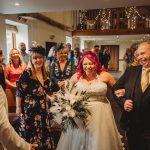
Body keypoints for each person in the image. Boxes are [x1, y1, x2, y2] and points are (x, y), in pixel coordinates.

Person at [56, 50, 124, 150]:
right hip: (81, 115)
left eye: (91, 63)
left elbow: (117, 89)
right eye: (85, 64)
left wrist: (122, 94)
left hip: (101, 114)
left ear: (96, 64)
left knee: (100, 140)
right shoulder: (76, 77)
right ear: (81, 65)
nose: (88, 66)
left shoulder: (105, 76)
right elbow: (66, 92)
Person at [16, 44, 54, 149]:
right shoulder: (26, 74)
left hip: (43, 110)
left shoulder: (45, 73)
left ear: (44, 58)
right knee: (30, 136)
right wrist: (18, 108)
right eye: (35, 58)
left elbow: (47, 92)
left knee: (43, 134)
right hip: (29, 111)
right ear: (31, 60)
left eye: (40, 57)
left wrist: (52, 97)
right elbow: (19, 92)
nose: (38, 60)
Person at [113, 41, 150, 150]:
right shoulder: (131, 71)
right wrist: (123, 101)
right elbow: (115, 88)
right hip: (132, 125)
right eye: (137, 55)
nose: (139, 57)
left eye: (142, 53)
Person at [0, 48, 38, 150]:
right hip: (10, 90)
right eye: (13, 53)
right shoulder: (7, 66)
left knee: (17, 114)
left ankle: (16, 132)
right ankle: (13, 134)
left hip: (21, 91)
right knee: (9, 115)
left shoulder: (24, 65)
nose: (15, 55)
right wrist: (13, 85)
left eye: (17, 53)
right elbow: (5, 79)